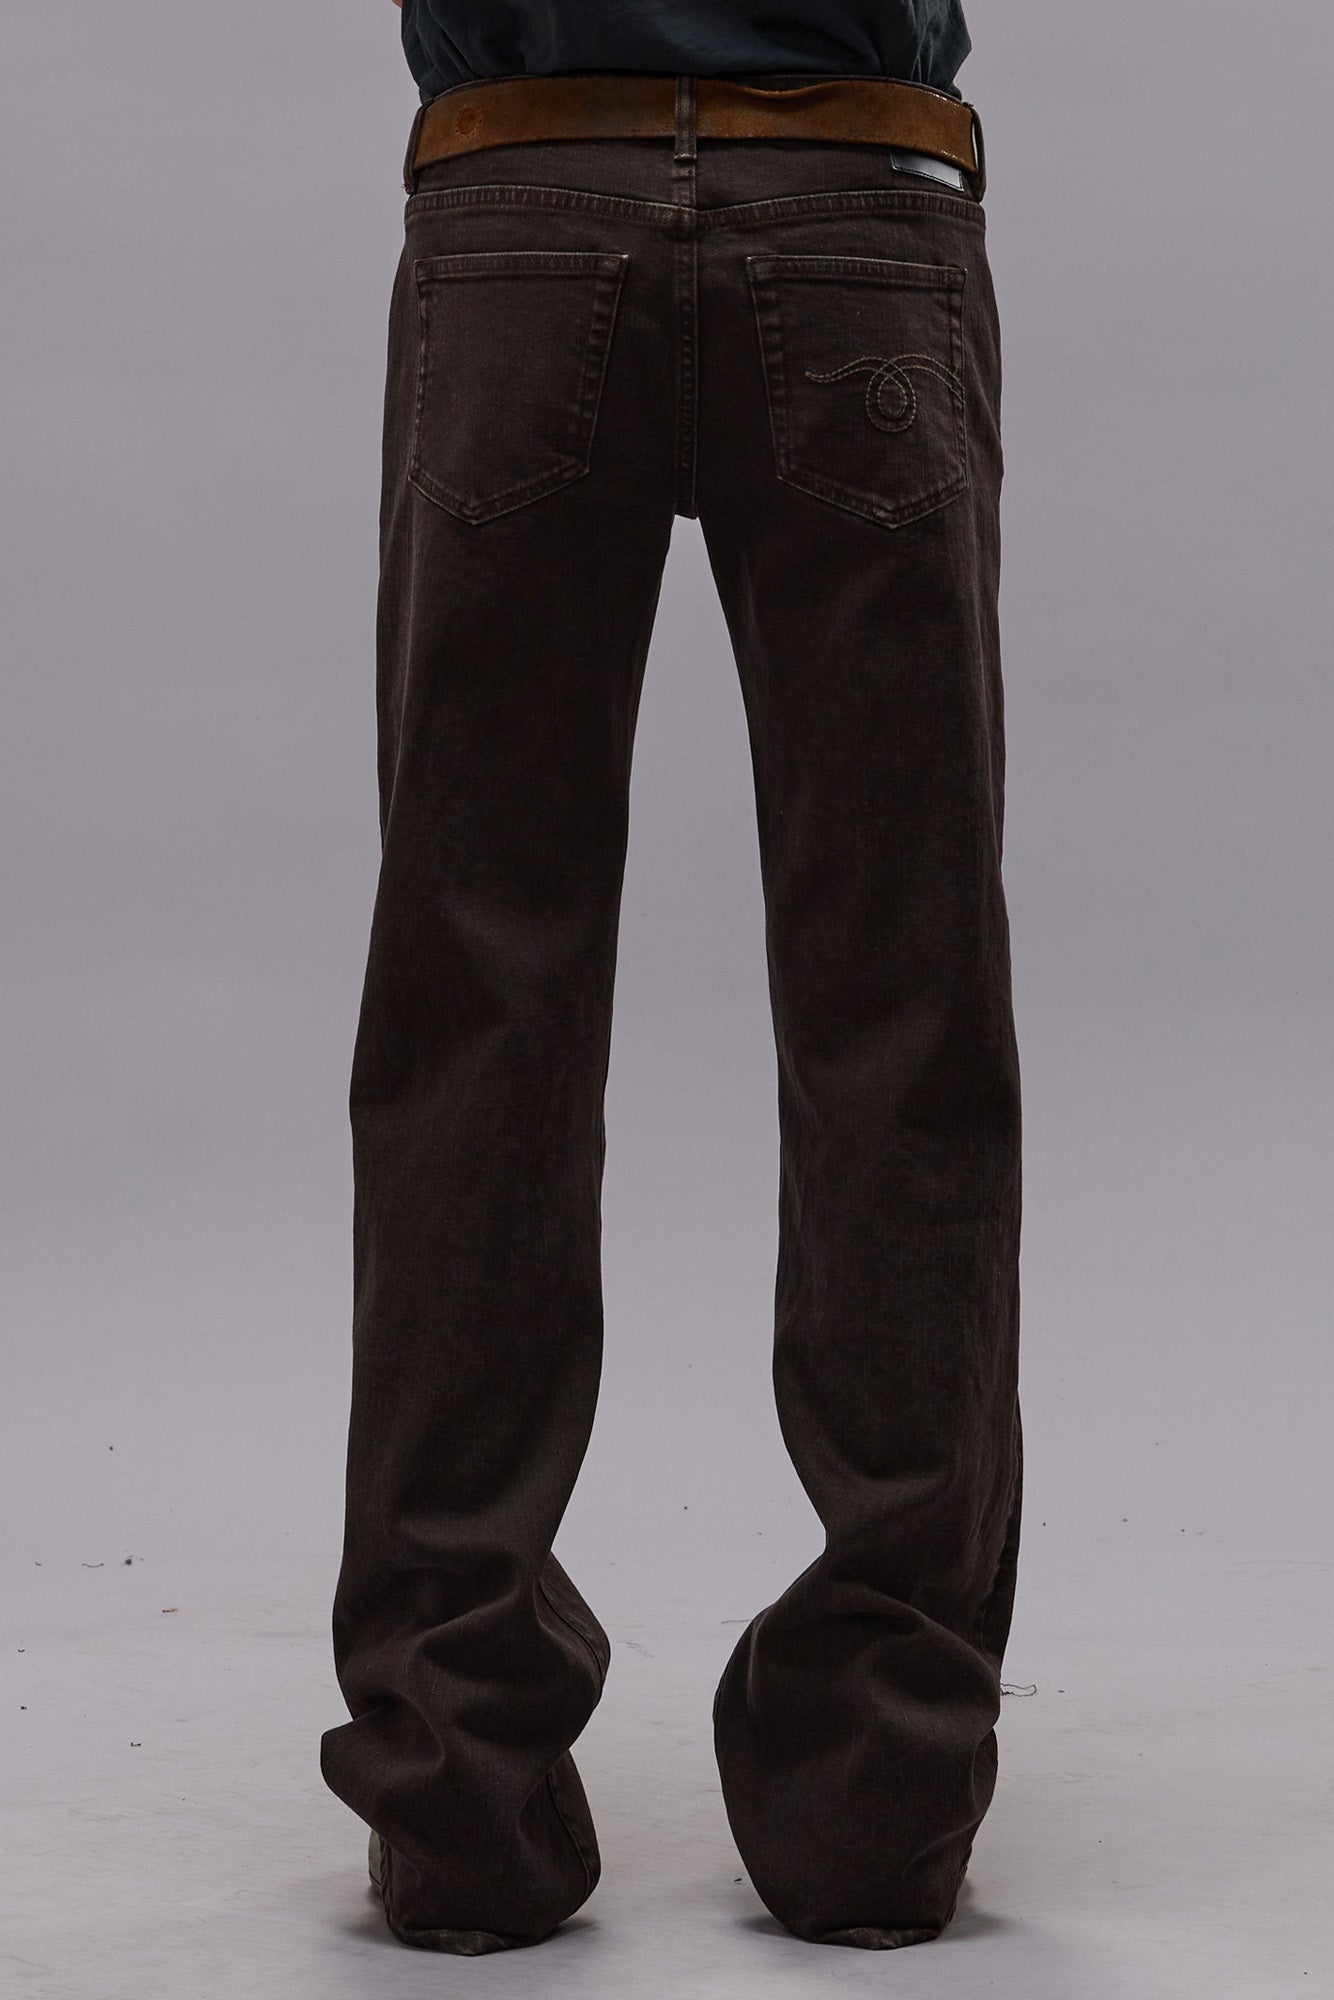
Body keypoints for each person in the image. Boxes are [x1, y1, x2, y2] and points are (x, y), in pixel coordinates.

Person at [319, 0, 1023, 1957]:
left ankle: (458, 1784)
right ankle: (879, 1795)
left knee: (475, 1013)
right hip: (860, 205)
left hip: (522, 199)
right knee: (901, 1009)